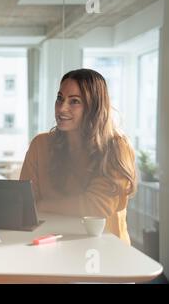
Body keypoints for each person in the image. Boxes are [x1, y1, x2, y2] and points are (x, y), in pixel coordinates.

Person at [20, 69, 136, 244]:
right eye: (60, 98)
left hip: (107, 251)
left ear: (94, 107)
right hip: (51, 244)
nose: (62, 108)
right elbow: (26, 203)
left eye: (74, 101)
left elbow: (97, 206)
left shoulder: (116, 147)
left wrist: (44, 205)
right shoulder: (40, 145)